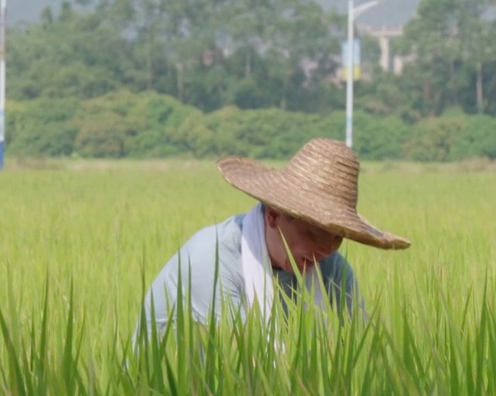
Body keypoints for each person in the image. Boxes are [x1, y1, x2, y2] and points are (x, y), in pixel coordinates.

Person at [133, 138, 410, 343]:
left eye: (337, 238)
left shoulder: (331, 269)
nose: (326, 250)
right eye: (313, 233)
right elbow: (240, 370)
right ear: (274, 215)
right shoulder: (213, 259)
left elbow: (360, 349)